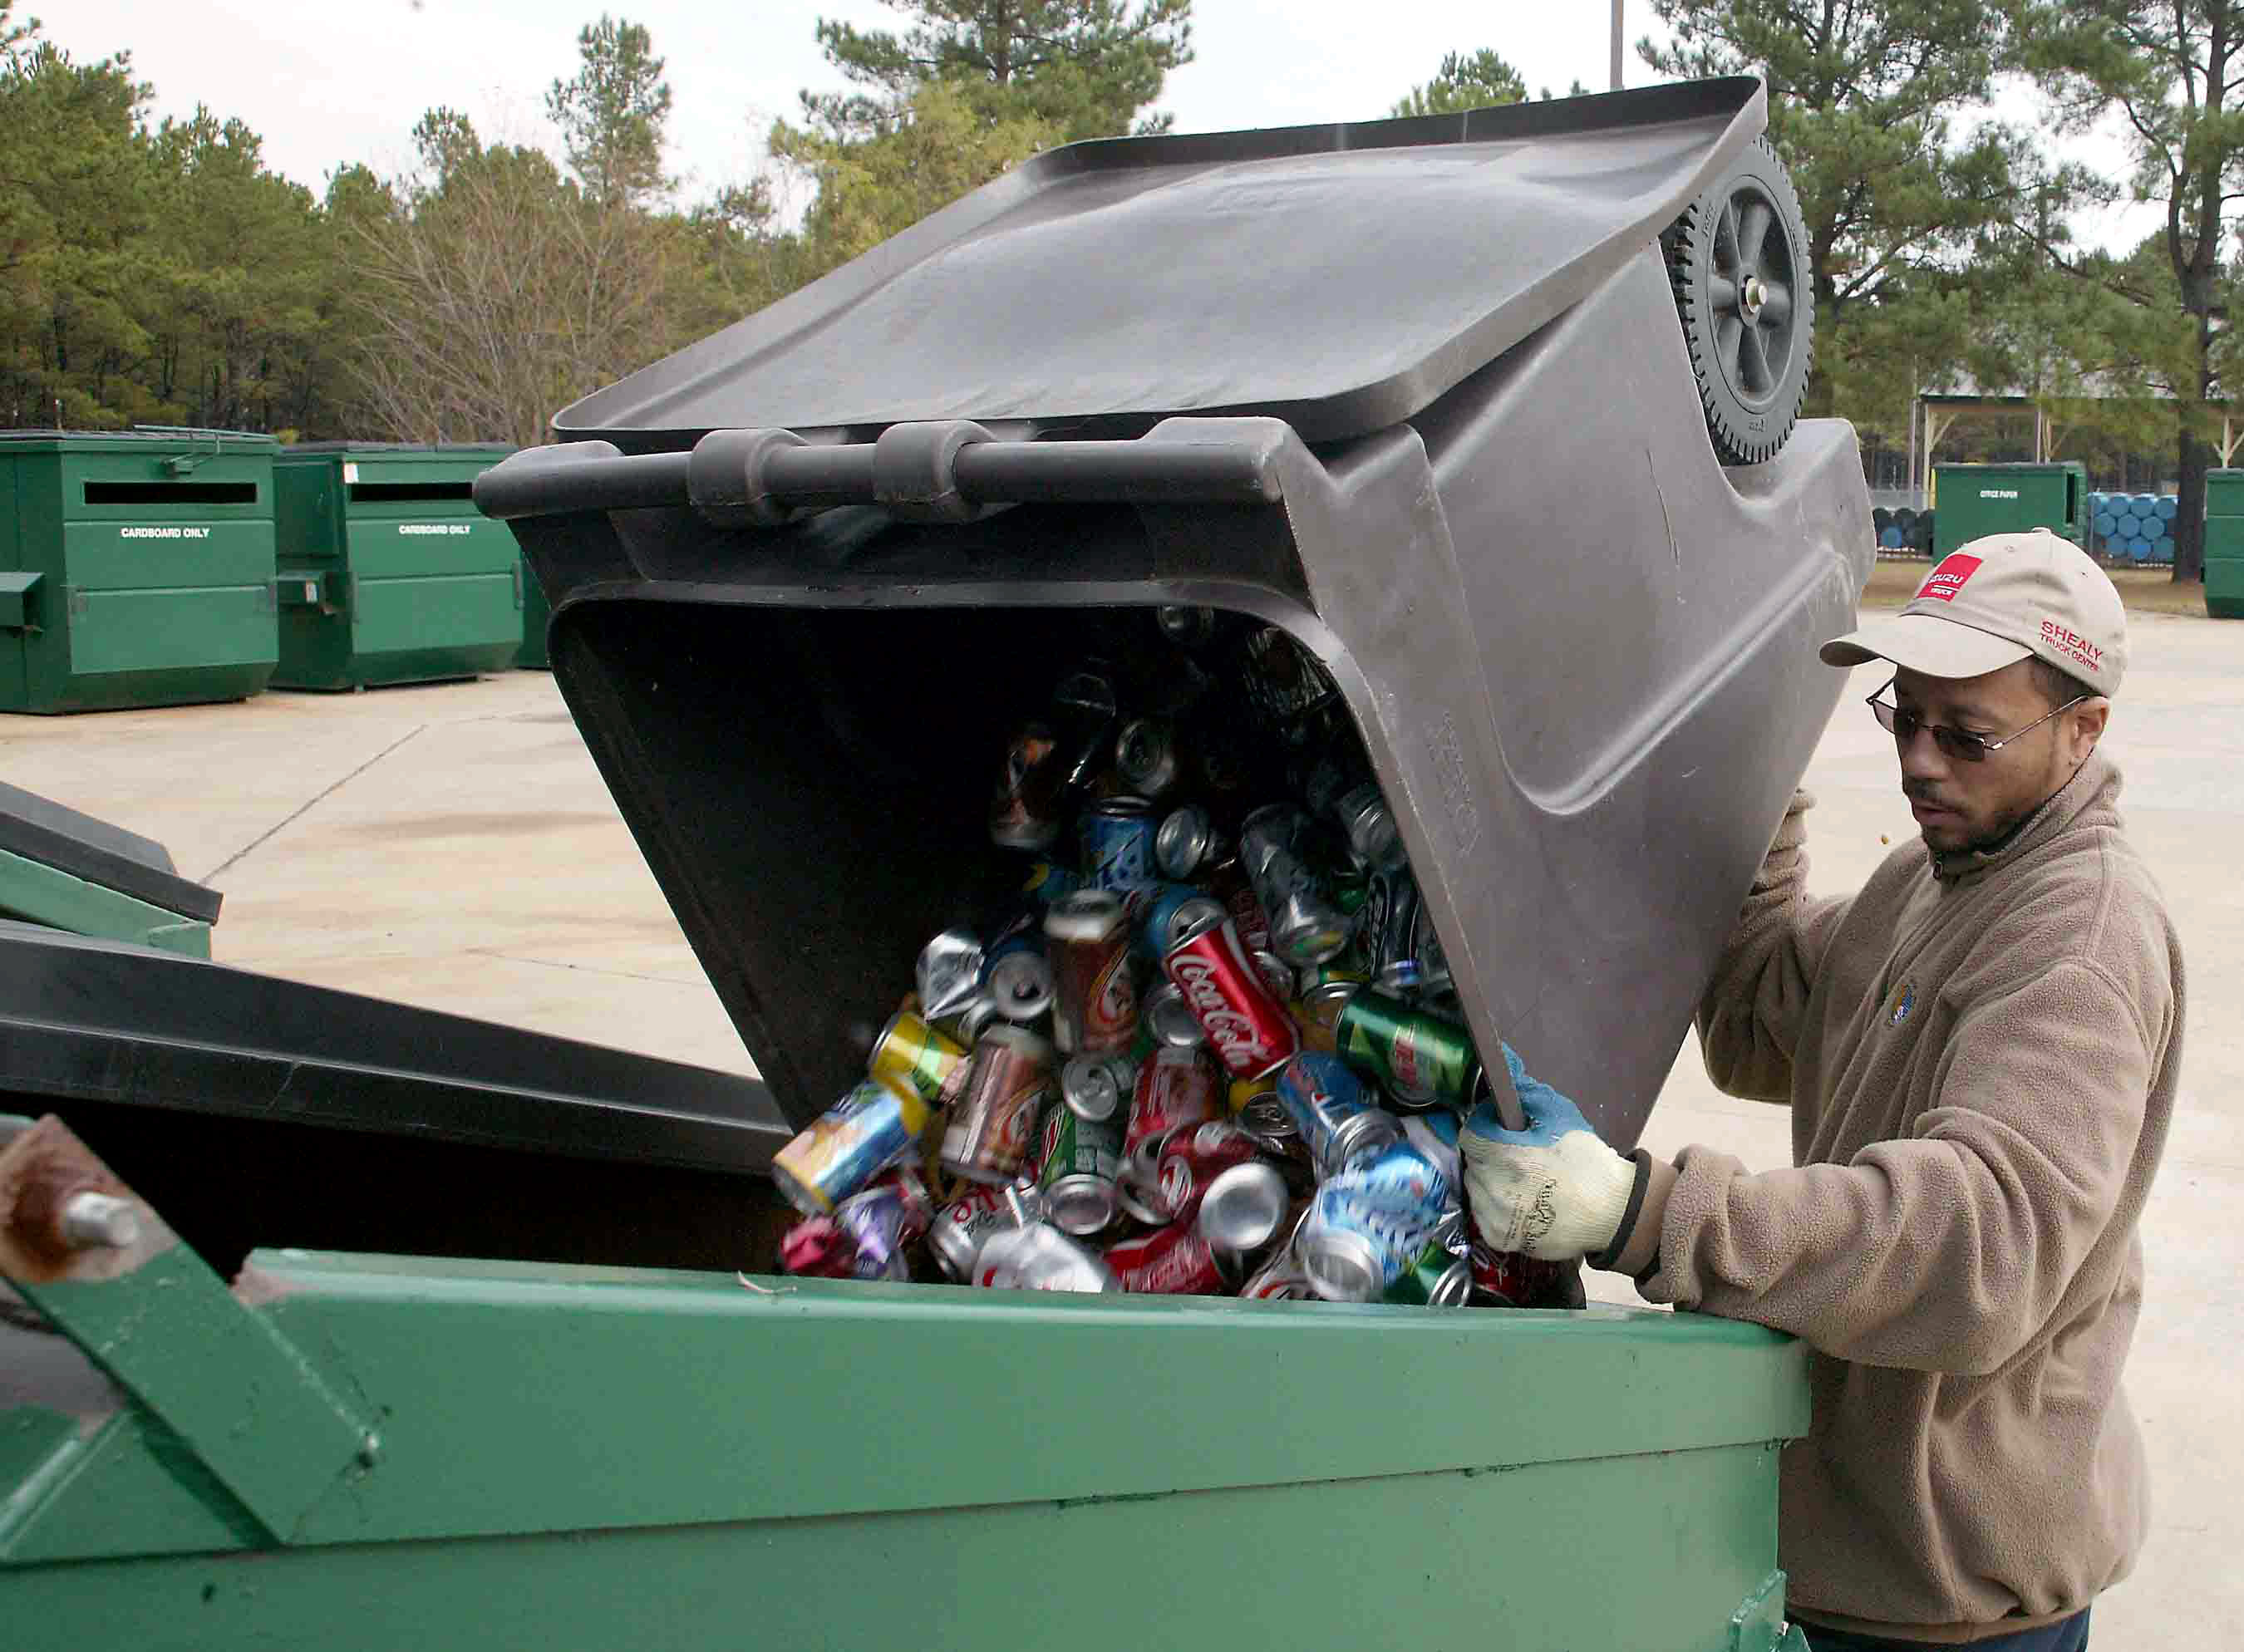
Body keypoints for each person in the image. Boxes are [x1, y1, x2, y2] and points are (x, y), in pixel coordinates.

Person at [1462, 531, 2182, 1651]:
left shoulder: (2077, 938)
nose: (1920, 764)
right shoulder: (1936, 877)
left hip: (1945, 1595)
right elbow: (1759, 1019)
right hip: (1847, 1547)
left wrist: (1642, 1211)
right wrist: (1754, 790)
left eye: (1969, 735)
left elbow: (1976, 1247)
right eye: (1905, 714)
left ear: (2082, 730)